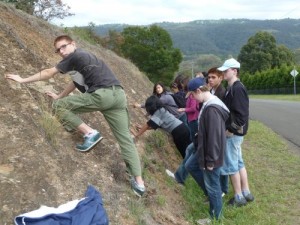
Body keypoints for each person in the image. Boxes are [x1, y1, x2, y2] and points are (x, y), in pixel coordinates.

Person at [5, 35, 145, 197]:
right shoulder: (85, 58)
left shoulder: (75, 56)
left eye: (63, 46)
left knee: (59, 107)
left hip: (103, 95)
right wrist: (59, 95)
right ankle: (139, 183)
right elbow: (76, 82)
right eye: (58, 50)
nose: (61, 51)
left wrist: (23, 80)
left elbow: (50, 73)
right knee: (126, 139)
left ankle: (89, 133)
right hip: (119, 96)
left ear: (73, 44)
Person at [188, 77, 229, 224]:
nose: (192, 98)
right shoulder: (208, 104)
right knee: (191, 166)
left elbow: (214, 137)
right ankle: (213, 201)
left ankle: (215, 218)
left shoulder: (212, 108)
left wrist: (210, 160)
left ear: (198, 91)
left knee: (213, 186)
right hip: (206, 150)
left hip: (211, 155)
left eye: (192, 94)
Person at [217, 58, 255, 206]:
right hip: (236, 133)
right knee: (239, 163)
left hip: (234, 133)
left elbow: (241, 115)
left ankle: (238, 197)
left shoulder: (237, 88)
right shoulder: (232, 87)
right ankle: (246, 192)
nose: (224, 73)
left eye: (226, 70)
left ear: (235, 71)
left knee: (232, 164)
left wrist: (230, 130)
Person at [207, 67, 228, 195]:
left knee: (222, 159)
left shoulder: (222, 93)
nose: (210, 79)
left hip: (220, 130)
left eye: (213, 77)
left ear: (221, 78)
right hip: (213, 128)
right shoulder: (211, 91)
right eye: (209, 77)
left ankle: (223, 188)